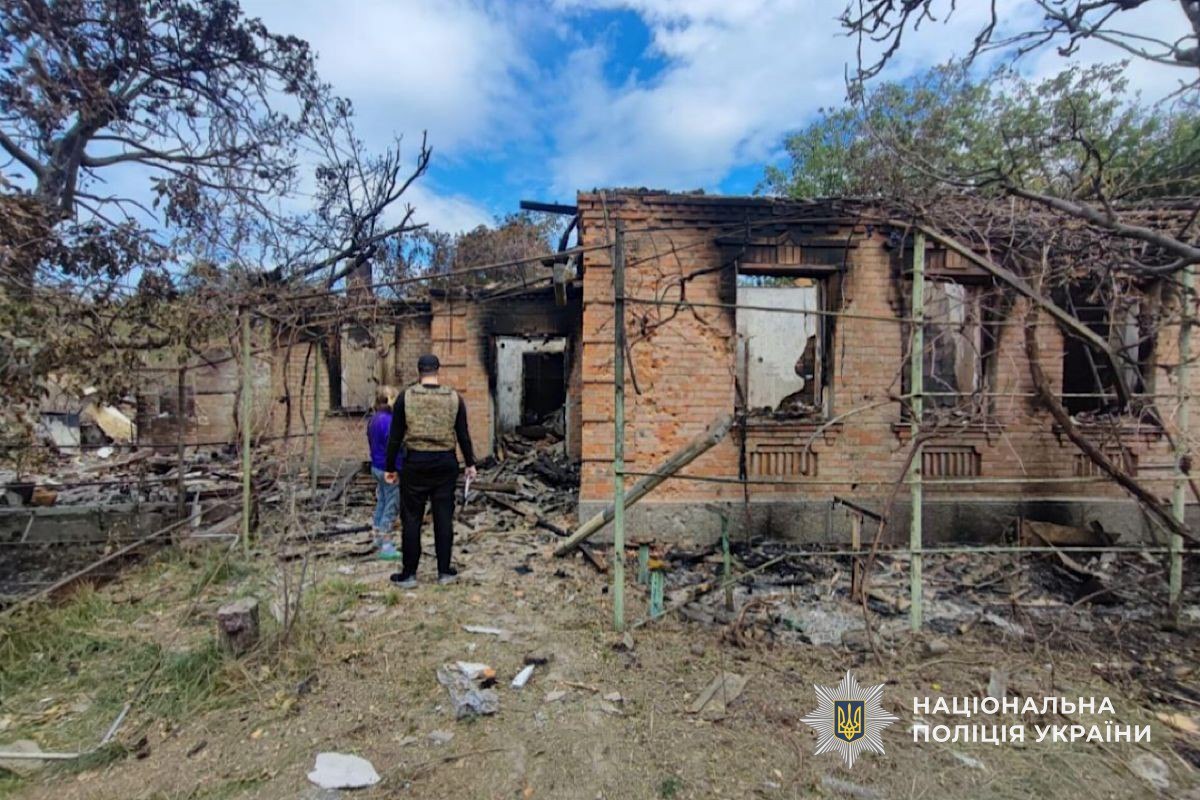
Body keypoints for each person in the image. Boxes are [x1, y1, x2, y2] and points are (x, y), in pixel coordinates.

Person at [384, 354, 477, 587]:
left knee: (411, 519)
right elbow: (463, 435)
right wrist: (470, 464)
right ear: (437, 370)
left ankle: (409, 575)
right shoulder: (454, 398)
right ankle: (444, 572)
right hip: (445, 463)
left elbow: (395, 436)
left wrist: (389, 467)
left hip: (415, 463)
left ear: (419, 371)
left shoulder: (406, 397)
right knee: (443, 517)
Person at [367, 385, 401, 560]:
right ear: (389, 400)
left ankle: (377, 538)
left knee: (382, 502)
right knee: (391, 506)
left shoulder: (373, 419)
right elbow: (393, 447)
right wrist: (396, 468)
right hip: (388, 469)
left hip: (376, 466)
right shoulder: (389, 421)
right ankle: (386, 544)